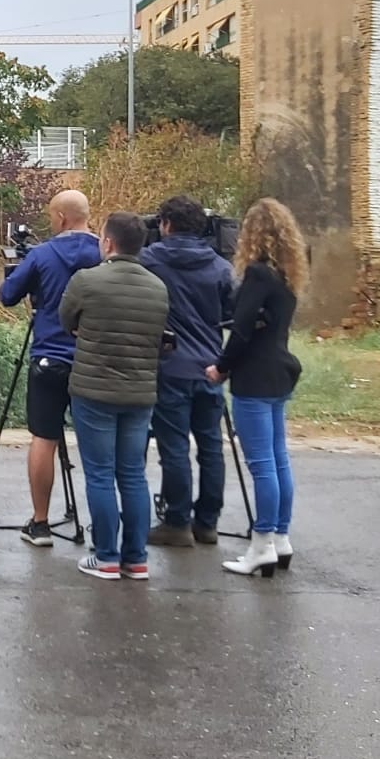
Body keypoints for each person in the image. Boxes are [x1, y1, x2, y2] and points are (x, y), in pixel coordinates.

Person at [57, 211, 168, 582]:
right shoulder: (157, 286)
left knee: (100, 474)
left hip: (94, 390)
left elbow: (66, 321)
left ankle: (106, 555)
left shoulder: (87, 281)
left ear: (107, 242)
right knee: (133, 474)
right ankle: (136, 559)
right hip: (140, 392)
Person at [0, 189, 103, 549]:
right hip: (95, 359)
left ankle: (40, 524)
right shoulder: (107, 253)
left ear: (60, 217)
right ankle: (104, 530)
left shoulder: (42, 254)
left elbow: (7, 295)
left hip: (50, 358)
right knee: (100, 442)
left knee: (44, 438)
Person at [208, 198, 308, 579]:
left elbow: (242, 328)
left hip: (254, 376)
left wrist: (221, 367)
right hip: (279, 370)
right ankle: (280, 537)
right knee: (278, 459)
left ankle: (261, 542)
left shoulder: (258, 275)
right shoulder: (286, 275)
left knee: (262, 464)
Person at [141, 195, 236, 547]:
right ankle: (207, 523)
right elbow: (233, 315)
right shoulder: (219, 266)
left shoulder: (151, 261)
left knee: (174, 448)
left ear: (165, 224)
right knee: (211, 447)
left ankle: (177, 521)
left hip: (171, 366)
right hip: (210, 367)